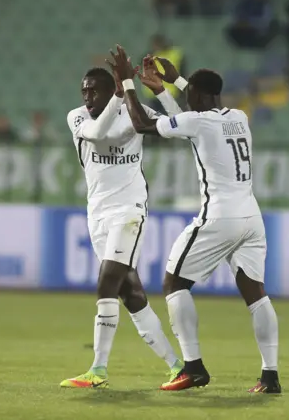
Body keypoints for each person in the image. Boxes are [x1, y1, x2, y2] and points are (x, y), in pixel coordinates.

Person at [109, 46, 281, 393]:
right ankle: (270, 375)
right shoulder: (238, 117)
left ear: (198, 96)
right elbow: (194, 120)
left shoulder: (199, 120)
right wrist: (169, 86)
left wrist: (127, 81)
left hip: (219, 217)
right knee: (256, 295)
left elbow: (144, 124)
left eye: (189, 94)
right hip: (251, 217)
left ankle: (193, 367)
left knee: (174, 284)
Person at [60, 52, 183, 389]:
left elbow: (179, 125)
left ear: (110, 89)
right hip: (96, 215)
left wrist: (159, 92)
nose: (87, 98)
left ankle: (98, 369)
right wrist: (118, 94)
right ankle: (177, 365)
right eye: (84, 91)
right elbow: (100, 135)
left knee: (107, 283)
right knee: (132, 295)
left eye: (94, 91)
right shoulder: (77, 117)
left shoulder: (132, 112)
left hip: (128, 212)